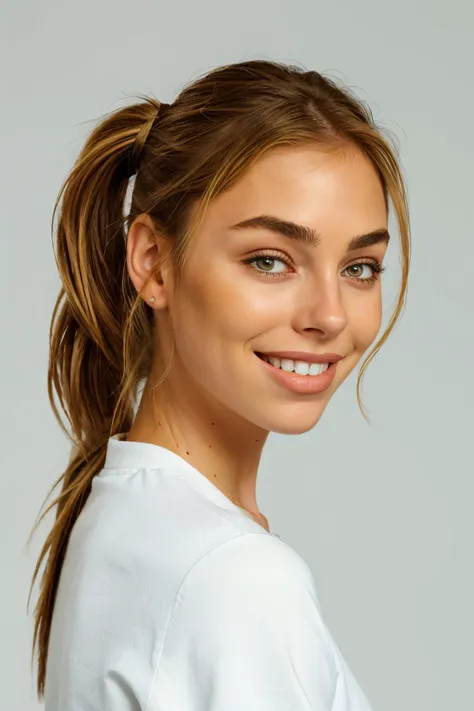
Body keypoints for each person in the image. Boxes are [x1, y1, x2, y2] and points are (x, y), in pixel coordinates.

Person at [27, 58, 410, 710]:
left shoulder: (116, 516)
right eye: (270, 260)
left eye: (360, 267)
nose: (329, 315)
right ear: (153, 263)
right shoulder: (235, 578)